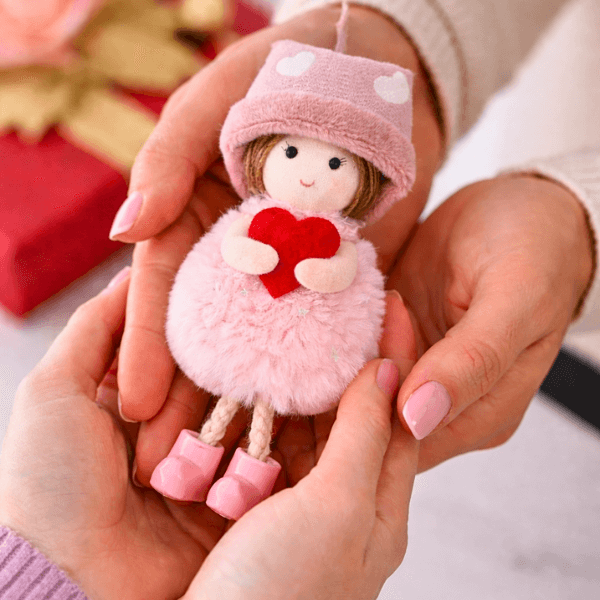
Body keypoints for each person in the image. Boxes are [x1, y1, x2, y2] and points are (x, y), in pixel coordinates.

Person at [109, 0, 597, 483]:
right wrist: (415, 23)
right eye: (291, 152)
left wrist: (577, 219)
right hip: (239, 327)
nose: (309, 175)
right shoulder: (252, 218)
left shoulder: (341, 242)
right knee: (231, 394)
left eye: (335, 164)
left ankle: (251, 470)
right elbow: (232, 246)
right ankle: (196, 456)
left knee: (268, 405)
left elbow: (341, 271)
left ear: (367, 180)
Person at [0, 269, 421, 599]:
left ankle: (244, 483)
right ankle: (189, 464)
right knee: (223, 411)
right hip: (240, 348)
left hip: (284, 361)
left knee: (261, 419)